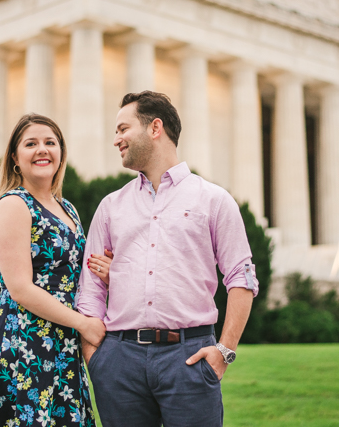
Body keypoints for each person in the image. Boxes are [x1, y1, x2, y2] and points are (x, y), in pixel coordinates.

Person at [78, 91, 259, 427]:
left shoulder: (214, 200)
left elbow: (242, 278)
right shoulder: (110, 207)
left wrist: (225, 350)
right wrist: (97, 358)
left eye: (122, 129)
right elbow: (89, 289)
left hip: (190, 358)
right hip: (119, 361)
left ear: (155, 127)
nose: (116, 139)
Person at [0, 113, 106, 427]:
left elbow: (74, 273)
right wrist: (83, 324)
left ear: (61, 154)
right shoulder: (14, 204)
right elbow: (20, 288)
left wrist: (106, 272)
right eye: (31, 144)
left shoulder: (66, 207)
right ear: (15, 158)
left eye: (50, 143)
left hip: (61, 341)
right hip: (22, 341)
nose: (42, 149)